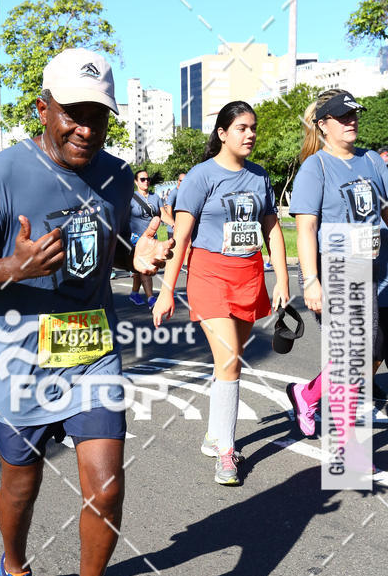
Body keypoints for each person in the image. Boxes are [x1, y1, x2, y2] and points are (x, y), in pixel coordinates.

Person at [0, 47, 173, 576]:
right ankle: (16, 569)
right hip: (18, 354)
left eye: (98, 116)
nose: (86, 129)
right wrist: (12, 267)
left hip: (90, 349)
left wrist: (136, 257)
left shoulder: (117, 176)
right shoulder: (2, 174)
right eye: (73, 113)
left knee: (108, 485)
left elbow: (110, 248)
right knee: (22, 483)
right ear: (43, 109)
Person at [153, 101, 288, 486]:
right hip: (210, 275)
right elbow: (181, 238)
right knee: (229, 360)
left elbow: (272, 230)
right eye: (242, 128)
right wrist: (166, 291)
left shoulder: (260, 176)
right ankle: (227, 452)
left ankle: (215, 434)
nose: (251, 134)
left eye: (253, 127)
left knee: (230, 361)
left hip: (249, 274)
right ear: (223, 133)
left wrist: (282, 278)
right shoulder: (201, 177)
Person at [288, 89, 388, 458]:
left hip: (368, 269)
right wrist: (311, 281)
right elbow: (306, 228)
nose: (351, 121)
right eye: (342, 117)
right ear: (323, 125)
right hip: (335, 268)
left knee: (359, 353)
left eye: (354, 114)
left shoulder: (371, 160)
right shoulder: (315, 167)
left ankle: (308, 395)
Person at [128, 169, 174, 308]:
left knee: (139, 269)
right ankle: (151, 298)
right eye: (142, 179)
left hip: (152, 239)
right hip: (136, 238)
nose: (146, 181)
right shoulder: (131, 198)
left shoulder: (155, 197)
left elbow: (162, 214)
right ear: (136, 182)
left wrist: (174, 224)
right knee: (145, 266)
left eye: (147, 179)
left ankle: (134, 293)